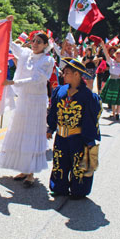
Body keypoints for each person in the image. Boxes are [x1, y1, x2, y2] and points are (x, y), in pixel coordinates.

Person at [0, 28, 53, 187]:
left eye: (39, 42)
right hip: (23, 99)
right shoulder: (25, 53)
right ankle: (23, 168)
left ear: (45, 45)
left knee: (32, 133)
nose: (35, 44)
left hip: (36, 101)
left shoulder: (47, 61)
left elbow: (36, 79)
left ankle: (31, 173)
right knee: (19, 131)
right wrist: (9, 24)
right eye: (34, 41)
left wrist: (14, 83)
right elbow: (9, 43)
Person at [46, 57, 102, 199]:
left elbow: (91, 118)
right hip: (61, 136)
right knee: (59, 162)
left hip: (78, 137)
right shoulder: (59, 91)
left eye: (67, 73)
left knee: (79, 165)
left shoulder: (88, 96)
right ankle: (59, 187)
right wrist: (50, 128)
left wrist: (89, 140)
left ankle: (79, 190)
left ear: (77, 75)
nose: (63, 75)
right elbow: (53, 111)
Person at [99, 43, 120, 120]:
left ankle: (118, 113)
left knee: (119, 98)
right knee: (113, 97)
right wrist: (103, 46)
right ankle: (113, 113)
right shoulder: (112, 62)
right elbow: (106, 54)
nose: (119, 55)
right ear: (115, 55)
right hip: (112, 80)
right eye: (117, 53)